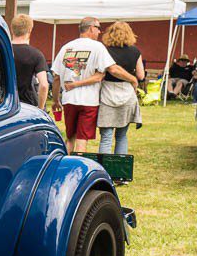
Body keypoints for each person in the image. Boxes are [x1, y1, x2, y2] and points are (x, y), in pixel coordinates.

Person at [51, 17, 139, 152]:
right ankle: (77, 170)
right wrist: (132, 79)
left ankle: (63, 167)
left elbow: (56, 77)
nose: (99, 32)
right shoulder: (97, 47)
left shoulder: (66, 47)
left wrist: (56, 100)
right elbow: (113, 69)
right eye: (98, 28)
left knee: (70, 138)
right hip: (89, 101)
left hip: (68, 100)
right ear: (91, 28)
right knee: (82, 140)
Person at [96, 21, 145, 155]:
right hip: (128, 93)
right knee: (122, 136)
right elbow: (141, 75)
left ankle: (104, 169)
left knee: (106, 137)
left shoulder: (104, 51)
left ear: (109, 34)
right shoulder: (135, 51)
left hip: (107, 92)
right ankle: (119, 169)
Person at [10, 14, 49, 109]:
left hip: (5, 103)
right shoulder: (36, 54)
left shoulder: (1, 51)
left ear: (12, 29)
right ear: (30, 30)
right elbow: (44, 85)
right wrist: (40, 108)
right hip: (28, 105)